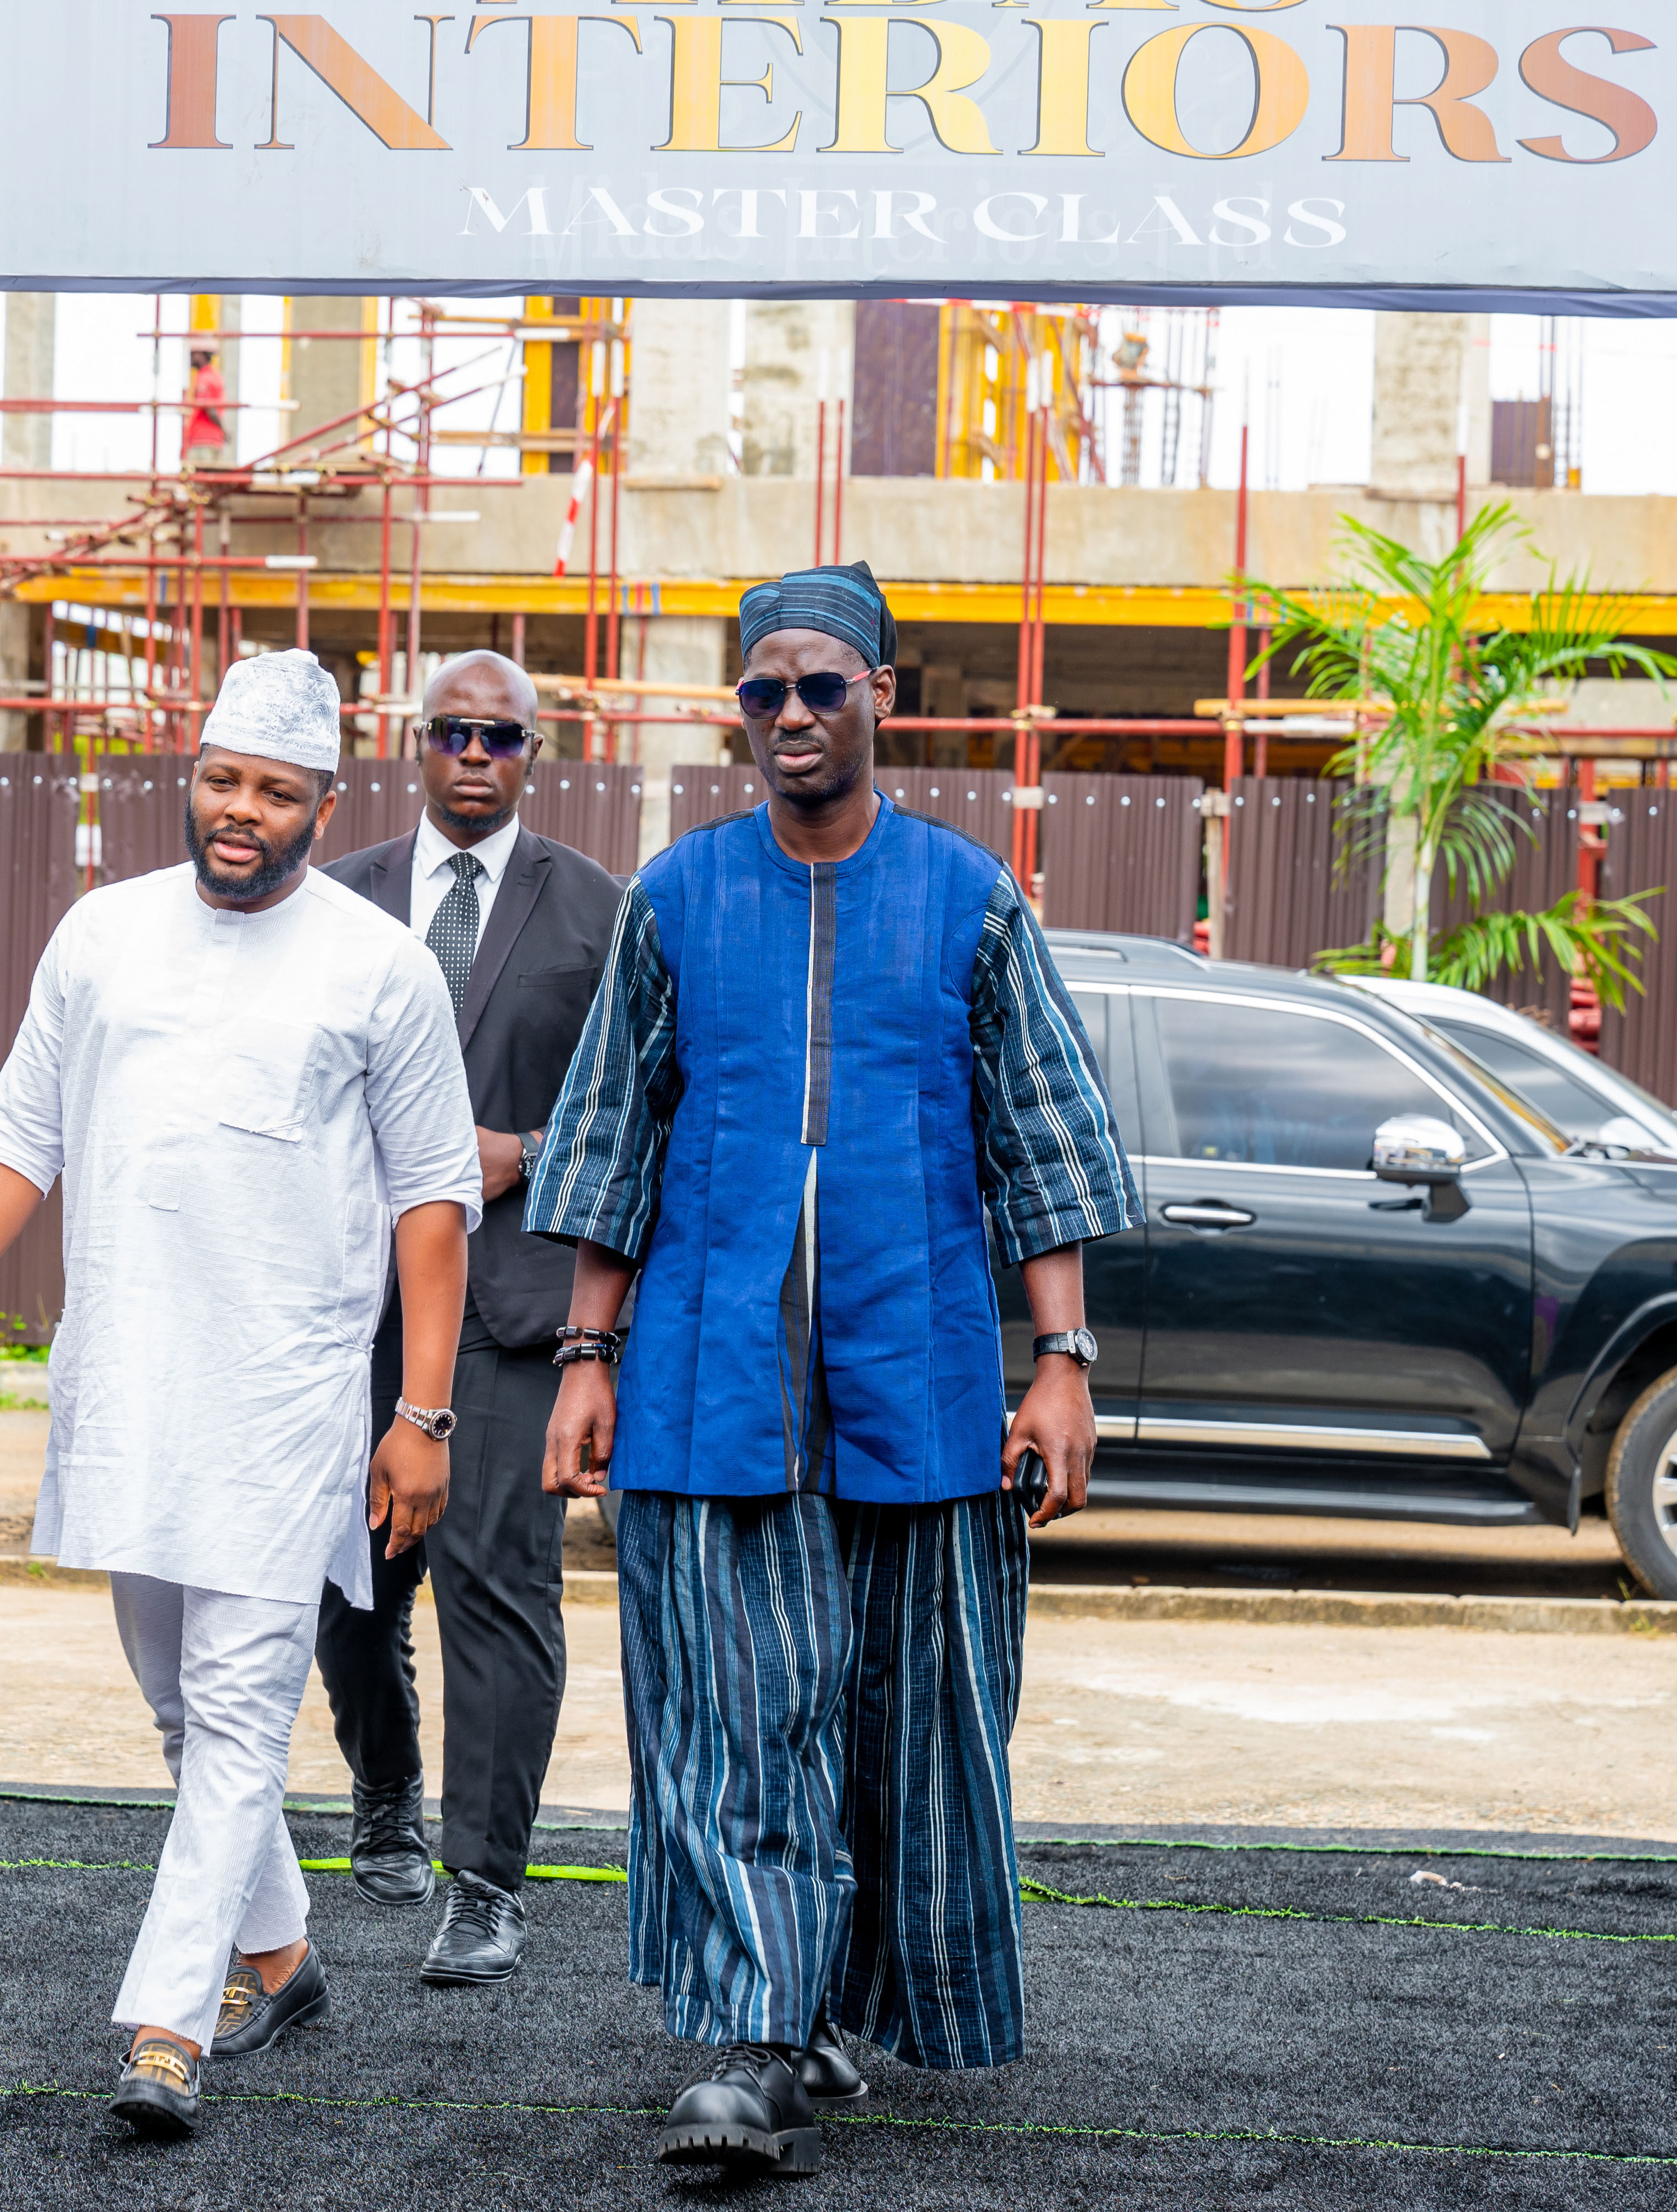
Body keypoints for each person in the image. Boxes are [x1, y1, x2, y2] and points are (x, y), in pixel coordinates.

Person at [527, 562, 1133, 2179]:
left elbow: (1045, 1146)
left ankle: (842, 1997)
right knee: (732, 1716)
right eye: (763, 693)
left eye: (821, 689)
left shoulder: (967, 899)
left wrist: (1061, 1363)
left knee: (907, 1721)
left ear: (882, 702)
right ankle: (751, 2038)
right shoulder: (678, 899)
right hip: (710, 1380)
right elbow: (612, 1143)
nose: (790, 719)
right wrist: (588, 1354)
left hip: (918, 1377)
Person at [0, 648, 480, 2138]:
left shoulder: (380, 966)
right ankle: (282, 1959)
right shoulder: (103, 935)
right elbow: (20, 1133)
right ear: (195, 774)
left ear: (324, 802)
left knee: (236, 1714)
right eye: (222, 780)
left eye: (276, 792)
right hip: (129, 1381)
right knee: (177, 1705)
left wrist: (421, 1417)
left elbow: (430, 1202)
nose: (241, 811)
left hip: (287, 1402)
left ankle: (168, 2025)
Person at [312, 650, 623, 1983]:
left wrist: (525, 1153)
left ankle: (487, 1881)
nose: (477, 753)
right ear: (415, 744)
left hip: (510, 1312)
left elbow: (630, 1113)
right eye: (455, 731)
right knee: (347, 1587)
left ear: (534, 752)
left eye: (504, 734)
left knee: (496, 1594)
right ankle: (383, 1790)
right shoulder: (331, 903)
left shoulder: (600, 911)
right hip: (345, 1305)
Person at [183, 347, 229, 468]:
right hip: (212, 440)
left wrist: (225, 431)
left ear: (202, 355)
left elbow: (210, 409)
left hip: (202, 441)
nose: (190, 359)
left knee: (197, 483)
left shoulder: (204, 378)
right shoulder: (215, 376)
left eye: (193, 354)